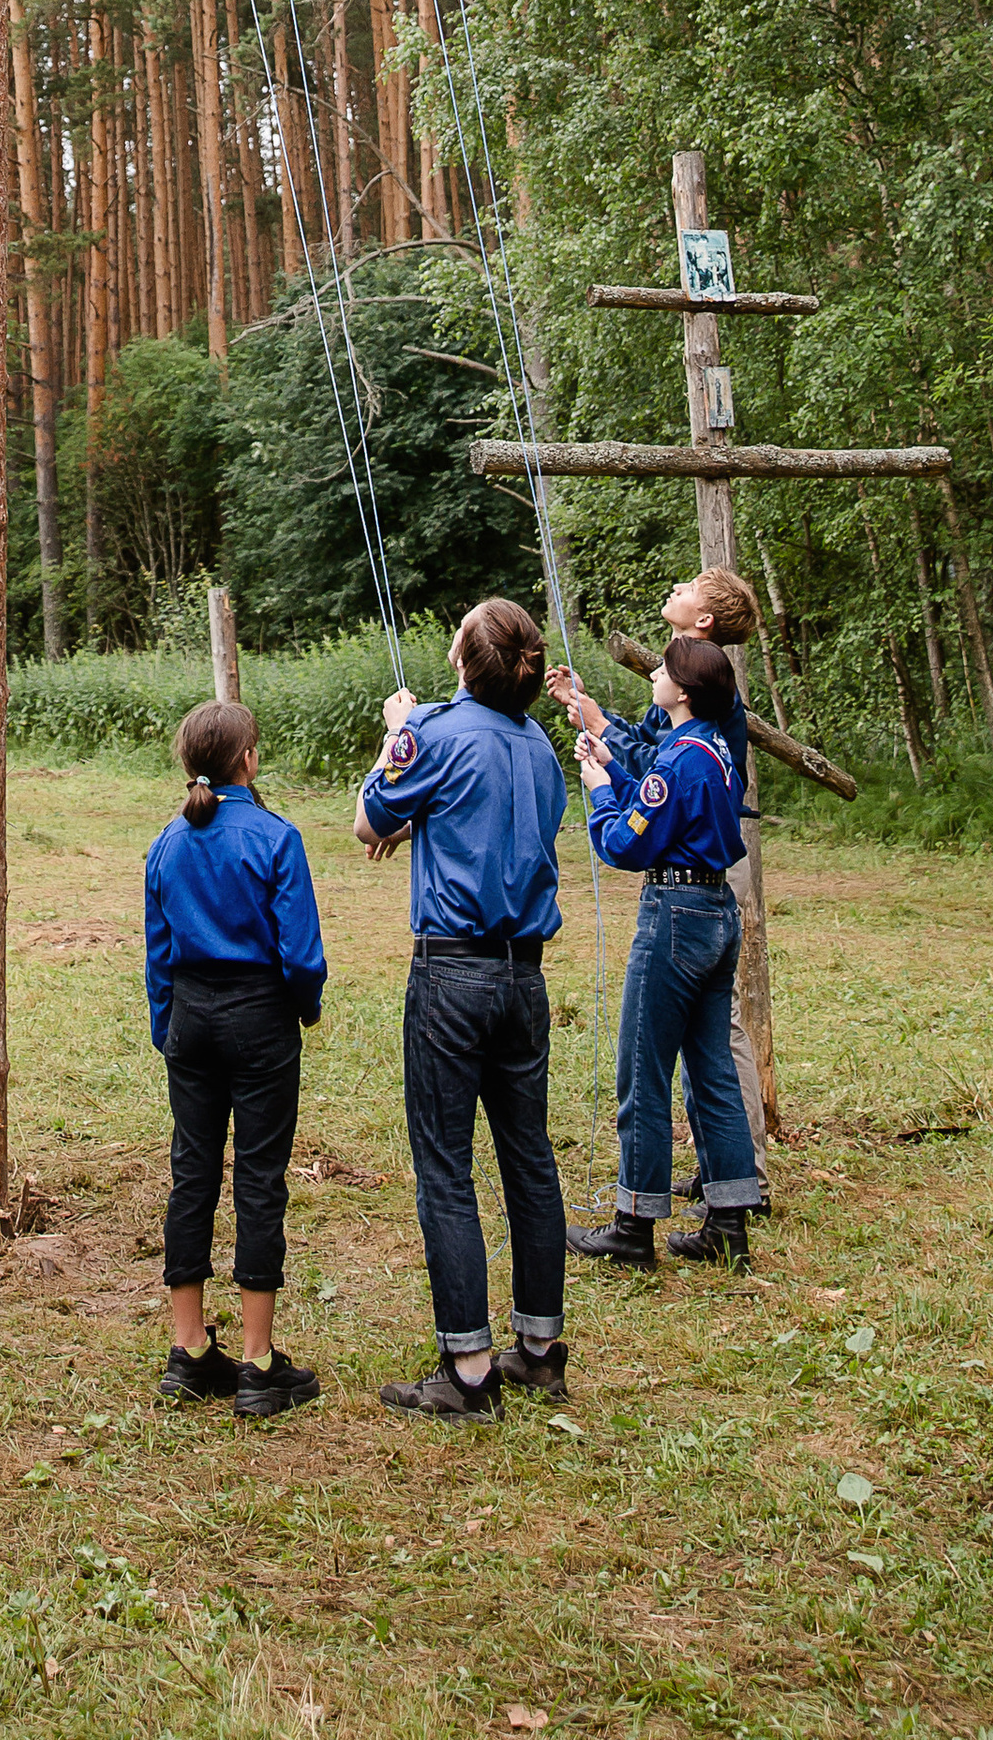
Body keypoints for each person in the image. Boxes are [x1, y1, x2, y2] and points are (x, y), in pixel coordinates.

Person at [353, 597, 570, 1421]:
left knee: (445, 1167)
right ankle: (540, 1351)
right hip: (526, 981)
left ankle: (470, 1371)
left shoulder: (433, 733)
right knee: (530, 1161)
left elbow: (369, 817)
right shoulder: (539, 749)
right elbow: (486, 826)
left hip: (453, 978)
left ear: (462, 663)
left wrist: (394, 735)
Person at [550, 564, 772, 1250]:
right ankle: (728, 1219)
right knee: (707, 1066)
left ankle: (633, 1225)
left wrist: (597, 787)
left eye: (661, 673)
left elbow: (627, 843)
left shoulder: (682, 756)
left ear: (684, 689)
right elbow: (661, 780)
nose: (652, 675)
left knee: (642, 1069)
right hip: (716, 916)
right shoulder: (707, 748)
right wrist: (612, 758)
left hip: (674, 915)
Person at [145, 697, 327, 1421]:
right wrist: (303, 1008)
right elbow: (300, 952)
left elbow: (158, 953)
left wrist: (170, 1028)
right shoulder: (276, 838)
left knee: (191, 1173)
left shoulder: (167, 842)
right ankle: (255, 1361)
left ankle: (187, 1349)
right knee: (258, 1177)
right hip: (259, 1019)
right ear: (247, 760)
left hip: (191, 1016)